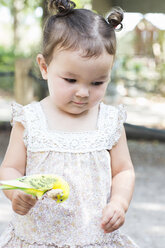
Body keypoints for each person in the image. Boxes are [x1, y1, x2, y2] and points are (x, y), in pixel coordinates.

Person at [0, 0, 138, 247]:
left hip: (94, 238)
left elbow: (123, 170)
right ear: (44, 67)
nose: (83, 92)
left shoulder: (109, 122)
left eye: (97, 83)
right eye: (71, 79)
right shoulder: (29, 120)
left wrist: (119, 203)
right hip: (36, 239)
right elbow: (10, 169)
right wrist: (16, 193)